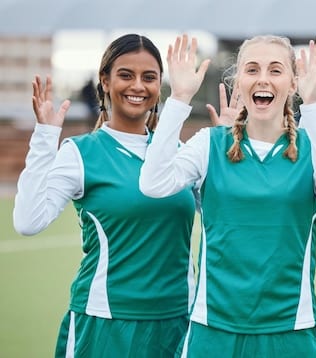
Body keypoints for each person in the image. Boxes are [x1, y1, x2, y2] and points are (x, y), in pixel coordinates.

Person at [139, 34, 316, 357]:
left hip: (291, 331)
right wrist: (179, 99)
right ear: (238, 82)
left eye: (275, 70)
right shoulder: (209, 143)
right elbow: (153, 183)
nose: (263, 78)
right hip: (214, 331)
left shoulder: (313, 147)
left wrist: (314, 105)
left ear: (293, 84)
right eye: (252, 69)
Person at [12, 34, 197, 357]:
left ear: (159, 86)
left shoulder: (180, 155)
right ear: (105, 81)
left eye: (149, 77)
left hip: (178, 321)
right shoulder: (80, 153)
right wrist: (45, 137)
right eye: (126, 75)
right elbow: (28, 221)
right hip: (105, 322)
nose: (138, 86)